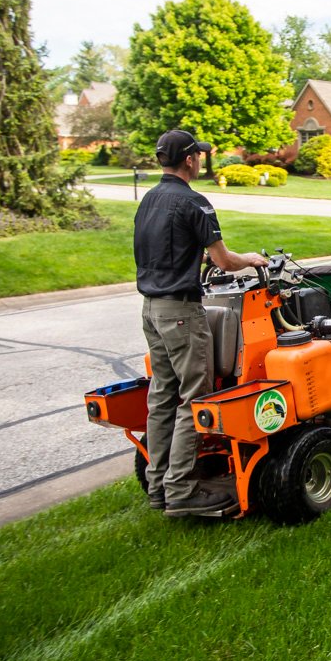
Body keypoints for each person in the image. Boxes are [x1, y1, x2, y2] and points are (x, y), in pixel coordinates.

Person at [134, 129, 268, 516]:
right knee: (196, 397)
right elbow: (226, 260)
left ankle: (158, 486)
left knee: (162, 396)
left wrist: (197, 260)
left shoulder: (148, 201)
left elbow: (162, 251)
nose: (200, 161)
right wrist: (251, 260)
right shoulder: (196, 203)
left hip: (151, 310)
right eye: (198, 156)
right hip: (181, 312)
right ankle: (181, 491)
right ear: (190, 159)